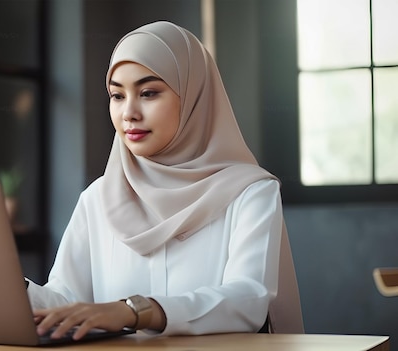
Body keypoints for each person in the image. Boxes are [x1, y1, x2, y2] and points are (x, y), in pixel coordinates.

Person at [26, 20, 298, 340]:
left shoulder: (250, 192)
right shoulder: (98, 197)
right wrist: (5, 288)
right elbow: (66, 301)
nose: (129, 113)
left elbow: (247, 299)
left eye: (148, 92)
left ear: (194, 96)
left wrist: (136, 310)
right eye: (117, 95)